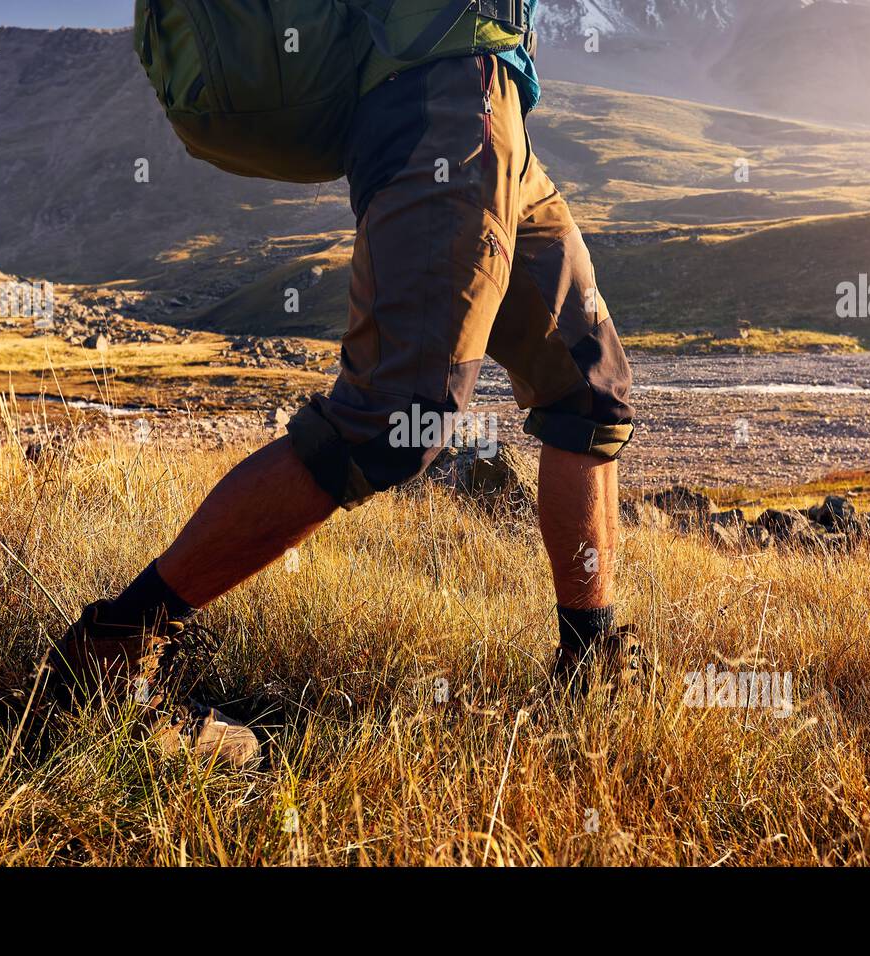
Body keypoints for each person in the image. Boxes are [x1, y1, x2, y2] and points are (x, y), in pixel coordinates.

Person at [51, 0, 636, 766]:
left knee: (587, 390)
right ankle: (112, 651)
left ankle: (590, 666)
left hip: (494, 103)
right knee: (394, 418)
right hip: (443, 100)